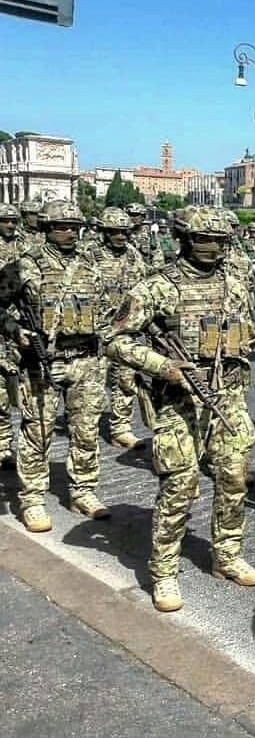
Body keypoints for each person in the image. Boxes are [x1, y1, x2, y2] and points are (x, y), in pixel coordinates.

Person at [104, 207, 255, 612]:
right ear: (185, 239)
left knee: (234, 478)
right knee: (179, 487)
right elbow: (114, 338)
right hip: (178, 402)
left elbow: (249, 334)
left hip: (225, 396)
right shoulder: (158, 288)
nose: (212, 248)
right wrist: (163, 367)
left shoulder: (235, 285)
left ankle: (226, 555)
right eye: (203, 239)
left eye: (220, 241)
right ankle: (164, 571)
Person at [0, 201, 110, 532]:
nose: (70, 232)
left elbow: (104, 309)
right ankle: (33, 498)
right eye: (62, 226)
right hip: (41, 362)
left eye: (75, 227)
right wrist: (15, 331)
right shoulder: (24, 267)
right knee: (38, 431)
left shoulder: (90, 267)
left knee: (86, 430)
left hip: (86, 361)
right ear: (47, 228)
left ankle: (84, 490)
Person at [87, 208, 149, 449]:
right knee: (92, 385)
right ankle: (86, 427)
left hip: (125, 331)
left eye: (125, 232)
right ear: (104, 232)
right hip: (96, 333)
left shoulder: (134, 255)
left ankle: (120, 428)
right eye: (115, 232)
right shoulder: (89, 256)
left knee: (125, 381)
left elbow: (143, 288)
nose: (121, 237)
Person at [0, 203, 25, 467]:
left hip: (15, 325)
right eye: (5, 221)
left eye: (13, 221)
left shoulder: (24, 246)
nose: (10, 225)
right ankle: (3, 445)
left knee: (15, 385)